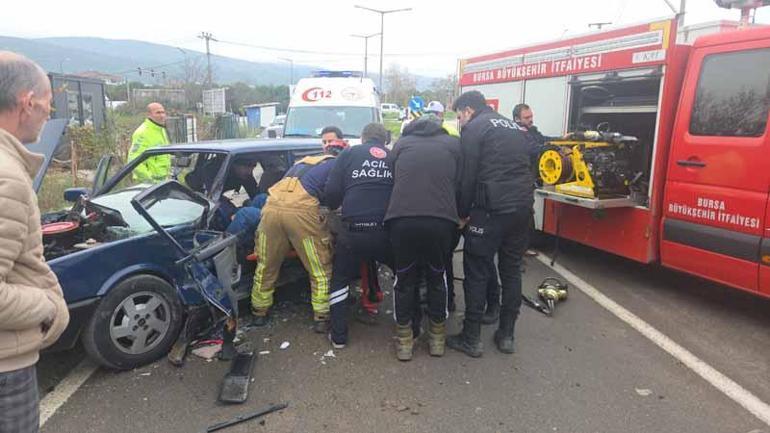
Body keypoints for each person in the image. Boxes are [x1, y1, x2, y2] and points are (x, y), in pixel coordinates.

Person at [0, 51, 70, 433]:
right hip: (6, 371)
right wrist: (48, 307)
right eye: (47, 104)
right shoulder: (7, 177)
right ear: (27, 102)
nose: (48, 113)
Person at [448, 90, 534, 357]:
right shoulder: (514, 127)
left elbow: (467, 176)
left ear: (468, 111)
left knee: (476, 268)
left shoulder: (475, 128)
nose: (460, 121)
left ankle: (471, 337)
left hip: (490, 209)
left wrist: (462, 213)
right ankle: (506, 333)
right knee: (511, 269)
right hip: (522, 208)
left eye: (459, 116)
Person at [250, 131, 348, 333]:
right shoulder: (337, 165)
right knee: (319, 267)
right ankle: (321, 316)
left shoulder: (304, 162)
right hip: (301, 213)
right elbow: (333, 197)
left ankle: (259, 312)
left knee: (266, 264)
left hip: (271, 209)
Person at [385, 114, 461, 361]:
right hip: (440, 220)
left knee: (404, 279)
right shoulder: (451, 144)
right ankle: (437, 339)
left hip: (402, 219)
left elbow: (393, 176)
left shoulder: (401, 144)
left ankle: (405, 341)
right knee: (437, 276)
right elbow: (459, 181)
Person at [324, 123, 393, 349]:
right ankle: (407, 330)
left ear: (362, 138)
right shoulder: (393, 157)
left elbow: (332, 193)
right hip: (385, 230)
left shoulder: (349, 153)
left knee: (340, 279)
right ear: (384, 141)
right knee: (403, 274)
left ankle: (339, 336)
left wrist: (336, 204)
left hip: (353, 230)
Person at [128, 102, 170, 182]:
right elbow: (134, 161)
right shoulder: (142, 133)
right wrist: (149, 180)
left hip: (162, 181)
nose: (162, 116)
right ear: (149, 115)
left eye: (163, 112)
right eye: (158, 113)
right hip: (149, 185)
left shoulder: (161, 130)